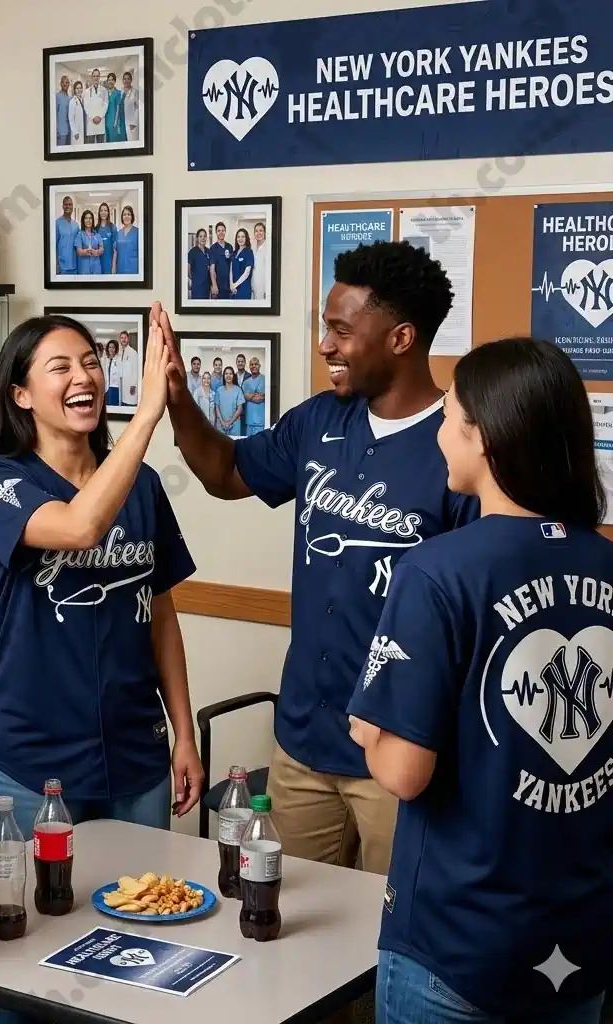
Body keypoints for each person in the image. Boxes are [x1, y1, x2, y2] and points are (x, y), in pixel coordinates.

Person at [152, 239, 480, 880]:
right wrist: (178, 401)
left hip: (400, 751)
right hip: (302, 743)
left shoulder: (459, 448)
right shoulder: (317, 422)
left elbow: (475, 614)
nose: (325, 346)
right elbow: (224, 471)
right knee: (288, 918)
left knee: (392, 937)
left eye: (341, 331)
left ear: (401, 338)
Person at [348, 338, 611, 1023]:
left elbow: (405, 772)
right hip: (580, 944)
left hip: (458, 949)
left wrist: (368, 733)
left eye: (449, 416)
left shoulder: (437, 573)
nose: (437, 432)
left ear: (485, 438)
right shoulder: (605, 564)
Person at [0, 314, 203, 1024]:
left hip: (136, 759)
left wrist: (182, 735)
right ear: (21, 396)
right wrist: (149, 414)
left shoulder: (144, 486)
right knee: (32, 964)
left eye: (92, 361)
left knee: (136, 953)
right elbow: (77, 526)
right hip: (33, 767)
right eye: (60, 367)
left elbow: (162, 614)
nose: (84, 377)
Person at [214, 366, 245, 437]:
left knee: (234, 446)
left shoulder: (238, 390)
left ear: (233, 376)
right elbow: (217, 408)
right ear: (223, 376)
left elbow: (240, 409)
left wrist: (229, 422)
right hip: (221, 426)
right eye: (226, 374)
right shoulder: (219, 390)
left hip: (234, 425)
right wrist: (222, 422)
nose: (228, 376)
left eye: (230, 374)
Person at [74, 209, 102, 275]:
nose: (88, 220)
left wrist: (96, 252)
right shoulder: (80, 235)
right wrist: (86, 252)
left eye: (90, 218)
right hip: (84, 268)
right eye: (86, 218)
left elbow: (101, 248)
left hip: (96, 268)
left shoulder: (97, 234)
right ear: (83, 220)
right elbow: (78, 251)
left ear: (92, 220)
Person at [187, 228, 212, 301]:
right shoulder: (192, 252)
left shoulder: (208, 251)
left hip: (207, 286)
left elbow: (210, 268)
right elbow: (188, 270)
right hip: (197, 287)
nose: (203, 238)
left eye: (204, 236)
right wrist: (195, 279)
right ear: (197, 238)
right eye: (200, 236)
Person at [113, 205, 138, 276]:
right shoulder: (118, 233)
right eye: (124, 214)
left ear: (132, 217)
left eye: (129, 214)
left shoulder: (138, 232)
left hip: (134, 269)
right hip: (120, 268)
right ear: (122, 217)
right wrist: (114, 268)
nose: (126, 216)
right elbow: (115, 252)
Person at [229, 228, 254, 299]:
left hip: (244, 288)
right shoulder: (234, 253)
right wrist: (231, 284)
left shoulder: (249, 252)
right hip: (233, 289)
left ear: (246, 238)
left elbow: (247, 272)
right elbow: (231, 270)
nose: (240, 239)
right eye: (238, 237)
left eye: (243, 236)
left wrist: (235, 285)